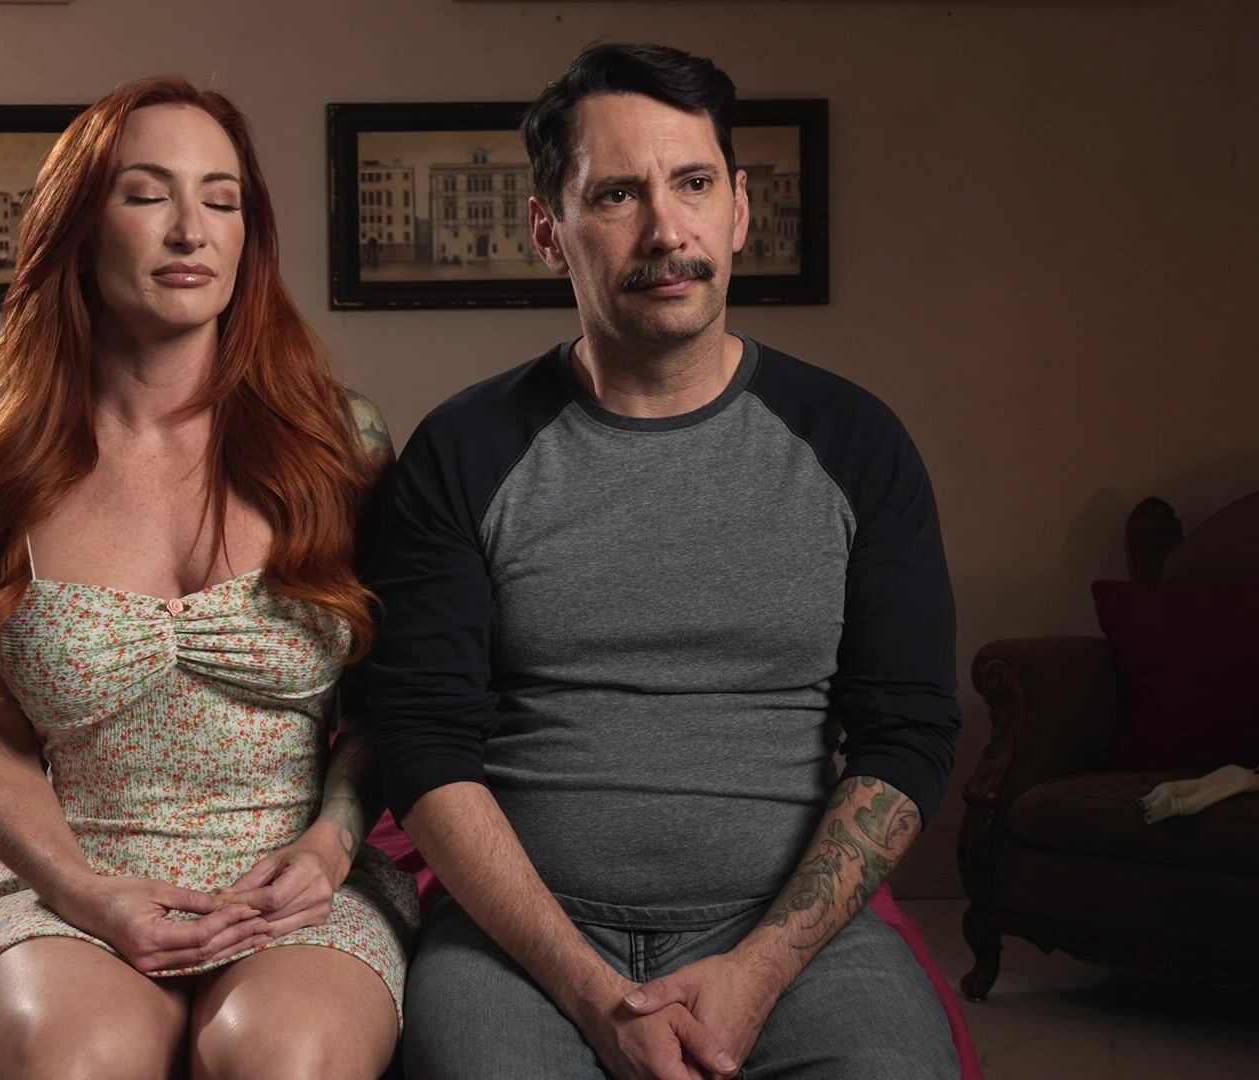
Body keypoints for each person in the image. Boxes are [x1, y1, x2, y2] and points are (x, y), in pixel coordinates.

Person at [366, 44, 961, 1079]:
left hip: (789, 939)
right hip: (524, 941)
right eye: (616, 195)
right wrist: (592, 994)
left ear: (739, 209)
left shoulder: (857, 443)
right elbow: (423, 743)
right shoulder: (464, 450)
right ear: (548, 232)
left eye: (692, 184)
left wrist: (760, 971)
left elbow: (905, 732)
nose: (666, 231)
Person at [0, 75, 415, 1080]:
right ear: (79, 228)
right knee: (75, 1061)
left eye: (222, 200)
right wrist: (88, 895)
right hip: (73, 892)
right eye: (146, 195)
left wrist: (330, 847)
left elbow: (385, 707)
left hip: (295, 889)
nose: (190, 230)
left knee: (285, 1059)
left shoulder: (340, 443)